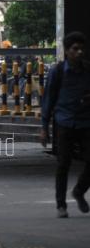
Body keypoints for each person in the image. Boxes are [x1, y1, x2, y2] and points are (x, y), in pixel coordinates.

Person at [41, 32, 90, 218]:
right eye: (74, 49)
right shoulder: (58, 71)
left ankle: (79, 191)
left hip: (85, 121)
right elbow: (48, 100)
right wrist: (44, 128)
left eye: (81, 49)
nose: (79, 52)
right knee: (63, 164)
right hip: (64, 122)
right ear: (67, 51)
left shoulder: (87, 70)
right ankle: (61, 204)